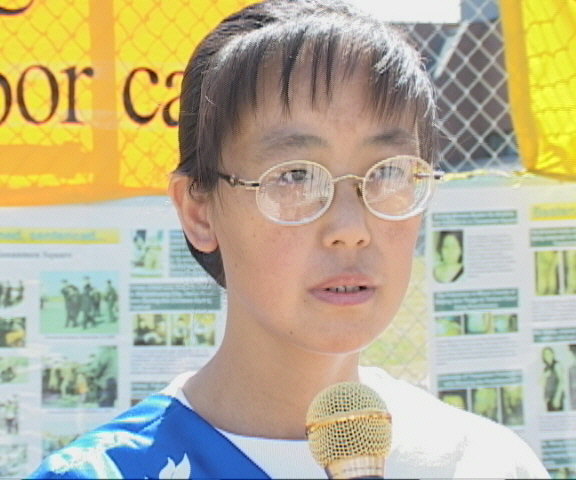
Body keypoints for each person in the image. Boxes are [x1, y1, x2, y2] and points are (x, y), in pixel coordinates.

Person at [29, 1, 549, 478]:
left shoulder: (483, 462)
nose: (350, 228)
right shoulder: (109, 471)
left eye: (389, 172)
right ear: (199, 209)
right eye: (296, 176)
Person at [542, 346, 565, 412]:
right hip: (549, 399)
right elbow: (541, 383)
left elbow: (562, 381)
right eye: (545, 354)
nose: (547, 355)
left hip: (556, 397)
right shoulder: (546, 368)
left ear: (553, 354)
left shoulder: (557, 365)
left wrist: (557, 398)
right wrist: (544, 376)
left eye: (549, 353)